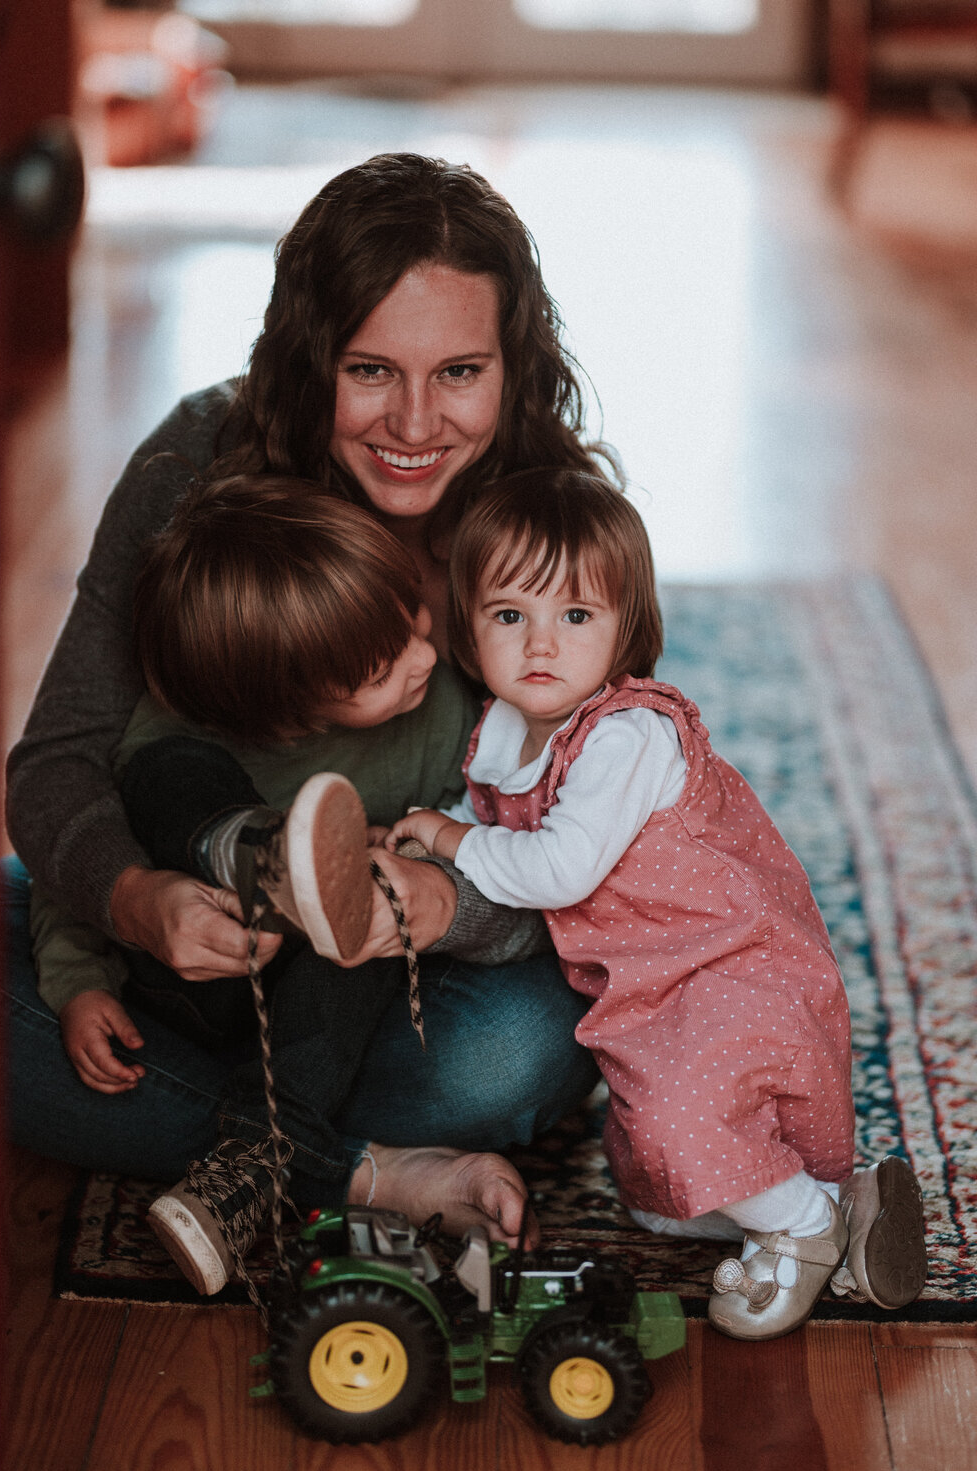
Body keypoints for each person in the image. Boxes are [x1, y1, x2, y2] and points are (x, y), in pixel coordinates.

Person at [3, 154, 603, 1264]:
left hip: (407, 981)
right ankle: (360, 1163)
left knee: (517, 1057)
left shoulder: (555, 533)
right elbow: (64, 765)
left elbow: (595, 866)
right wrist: (136, 905)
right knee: (30, 956)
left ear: (514, 372)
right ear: (304, 356)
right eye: (370, 369)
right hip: (192, 950)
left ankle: (278, 1136)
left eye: (459, 371)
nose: (414, 422)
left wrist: (437, 905)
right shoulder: (198, 462)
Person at [366, 469, 928, 1340]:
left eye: (576, 616)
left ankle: (803, 1229)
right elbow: (492, 830)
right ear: (471, 630)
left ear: (627, 627)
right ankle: (835, 1203)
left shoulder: (626, 735)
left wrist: (445, 839)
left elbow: (551, 870)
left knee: (686, 1121)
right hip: (644, 981)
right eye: (510, 615)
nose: (540, 644)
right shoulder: (505, 731)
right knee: (655, 1200)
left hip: (724, 960)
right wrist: (409, 845)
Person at [29, 472, 484, 1293]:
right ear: (288, 710)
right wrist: (77, 983)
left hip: (320, 1013)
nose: (424, 653)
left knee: (365, 910)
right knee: (167, 777)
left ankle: (267, 1152)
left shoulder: (445, 710)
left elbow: (494, 847)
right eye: (384, 665)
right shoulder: (176, 731)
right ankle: (256, 851)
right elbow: (71, 872)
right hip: (189, 979)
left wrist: (420, 860)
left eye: (410, 611)